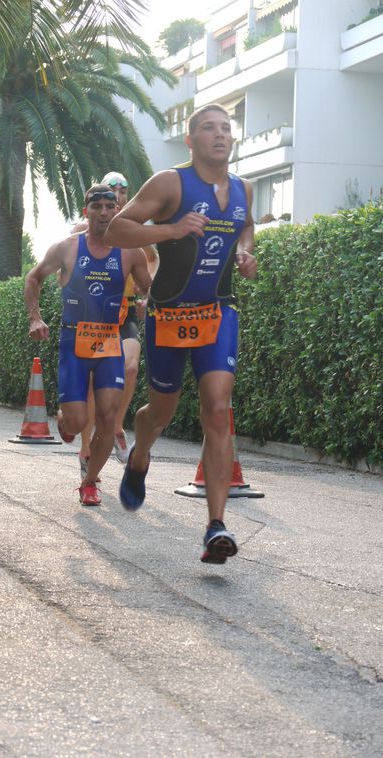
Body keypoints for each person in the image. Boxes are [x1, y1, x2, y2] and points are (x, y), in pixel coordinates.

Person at [104, 103, 257, 563]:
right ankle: (140, 453)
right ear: (191, 140)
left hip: (219, 311)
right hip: (169, 314)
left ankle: (215, 526)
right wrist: (171, 229)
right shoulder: (171, 182)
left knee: (217, 409)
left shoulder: (246, 188)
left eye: (227, 129)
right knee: (160, 411)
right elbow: (116, 229)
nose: (220, 135)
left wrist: (246, 252)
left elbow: (245, 226)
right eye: (209, 128)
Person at [25, 184, 151, 506]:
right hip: (74, 340)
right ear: (87, 212)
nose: (106, 213)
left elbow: (149, 289)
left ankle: (90, 481)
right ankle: (66, 421)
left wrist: (146, 300)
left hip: (110, 340)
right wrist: (35, 318)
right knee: (79, 422)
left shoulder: (130, 253)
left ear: (117, 210)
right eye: (99, 208)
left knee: (108, 416)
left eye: (111, 207)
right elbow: (34, 277)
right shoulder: (67, 248)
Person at [72, 172, 158, 478]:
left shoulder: (134, 232)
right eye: (113, 190)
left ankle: (118, 426)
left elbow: (153, 258)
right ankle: (85, 448)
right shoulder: (85, 228)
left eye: (123, 190)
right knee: (94, 386)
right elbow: (71, 253)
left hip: (124, 317)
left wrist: (145, 288)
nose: (119, 195)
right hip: (92, 320)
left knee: (131, 368)